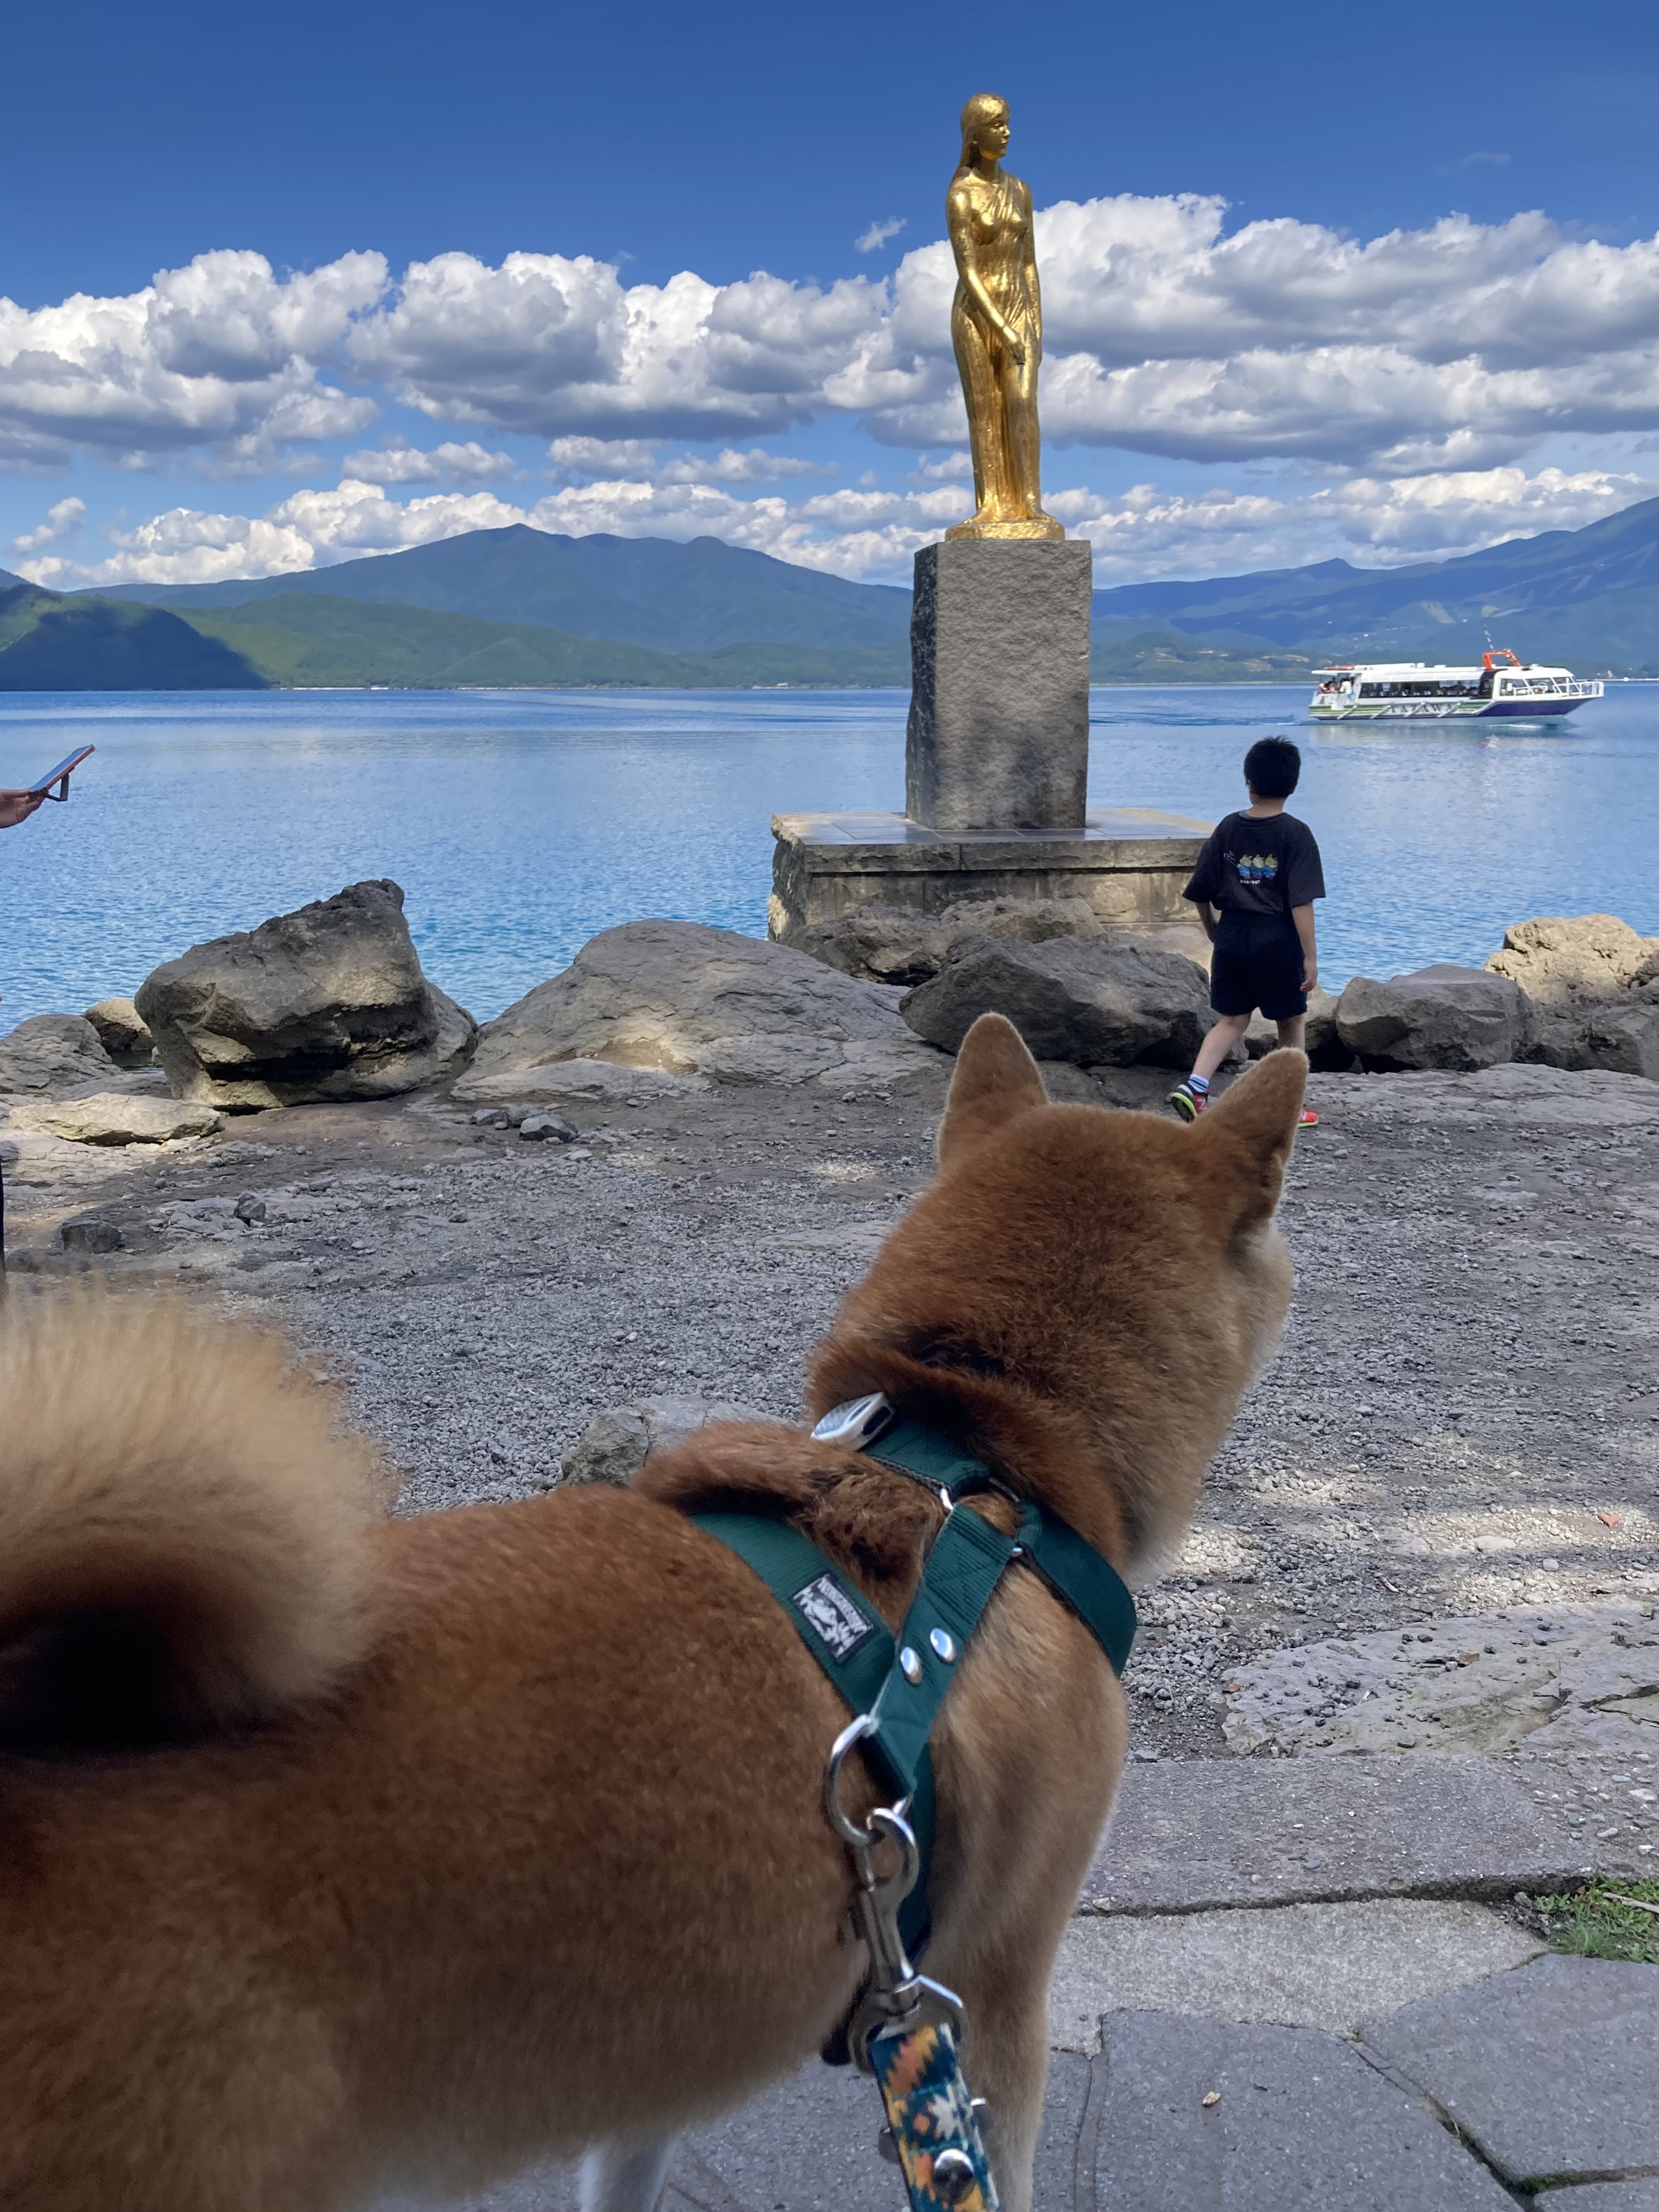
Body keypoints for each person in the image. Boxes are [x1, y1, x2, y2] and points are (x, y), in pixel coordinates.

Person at [1168, 735, 1323, 1128]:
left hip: (1233, 934)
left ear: (1249, 783)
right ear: (1293, 785)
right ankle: (1289, 1106)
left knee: (1231, 1021)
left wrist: (1212, 928)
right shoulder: (1296, 834)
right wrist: (1310, 956)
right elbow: (1301, 903)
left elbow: (1200, 890)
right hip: (1277, 938)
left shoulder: (1227, 828)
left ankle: (1196, 1086)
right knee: (1290, 1021)